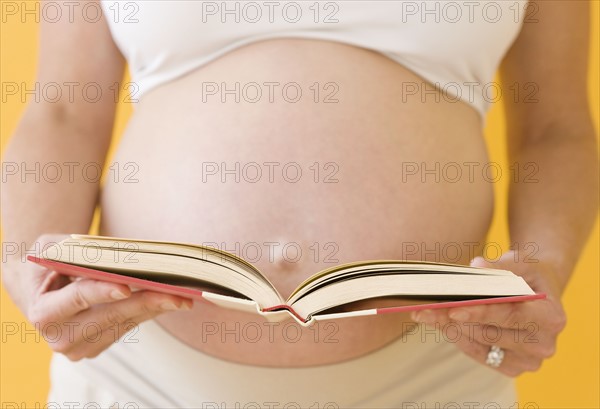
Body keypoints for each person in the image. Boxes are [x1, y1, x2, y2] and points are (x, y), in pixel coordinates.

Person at [2, 0, 598, 407]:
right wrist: (30, 277)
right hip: (137, 378)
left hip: (435, 379)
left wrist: (542, 273)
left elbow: (557, 128)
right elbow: (61, 109)